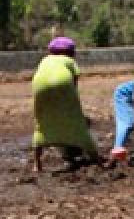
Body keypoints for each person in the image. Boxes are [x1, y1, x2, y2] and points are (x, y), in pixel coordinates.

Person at [30, 36, 100, 173]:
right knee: (77, 122)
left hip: (38, 87)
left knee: (41, 123)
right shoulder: (70, 61)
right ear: (71, 52)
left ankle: (37, 164)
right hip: (64, 85)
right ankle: (96, 159)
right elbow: (74, 86)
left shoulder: (44, 60)